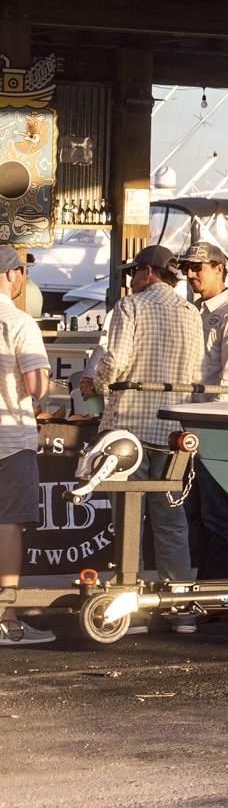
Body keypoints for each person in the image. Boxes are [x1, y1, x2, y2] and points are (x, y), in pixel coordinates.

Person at [79, 245, 204, 630]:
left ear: (147, 272)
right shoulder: (191, 313)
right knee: (171, 518)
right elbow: (196, 369)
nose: (130, 279)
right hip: (172, 429)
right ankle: (181, 607)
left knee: (129, 518)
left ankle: (128, 607)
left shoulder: (131, 306)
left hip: (130, 427)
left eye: (133, 272)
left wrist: (94, 383)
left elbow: (114, 360)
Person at [180, 240, 228, 582]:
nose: (191, 273)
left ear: (219, 268)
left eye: (198, 267)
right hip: (192, 424)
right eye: (188, 267)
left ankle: (217, 593)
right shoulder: (196, 312)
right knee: (194, 511)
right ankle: (202, 587)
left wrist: (217, 433)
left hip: (215, 426)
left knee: (217, 514)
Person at [0, 247, 51, 645]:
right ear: (13, 276)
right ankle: (8, 618)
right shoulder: (19, 323)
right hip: (9, 440)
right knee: (6, 525)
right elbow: (36, 388)